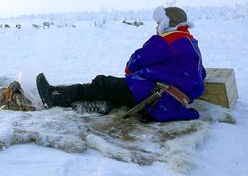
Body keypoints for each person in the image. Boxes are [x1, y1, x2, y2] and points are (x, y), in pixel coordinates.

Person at [36, 6, 206, 122]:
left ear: (166, 23)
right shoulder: (191, 43)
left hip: (158, 98)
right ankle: (101, 105)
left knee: (103, 83)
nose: (156, 28)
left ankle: (53, 97)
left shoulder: (168, 40)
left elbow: (135, 62)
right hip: (172, 101)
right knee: (119, 90)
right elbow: (201, 75)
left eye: (157, 24)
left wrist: (136, 73)